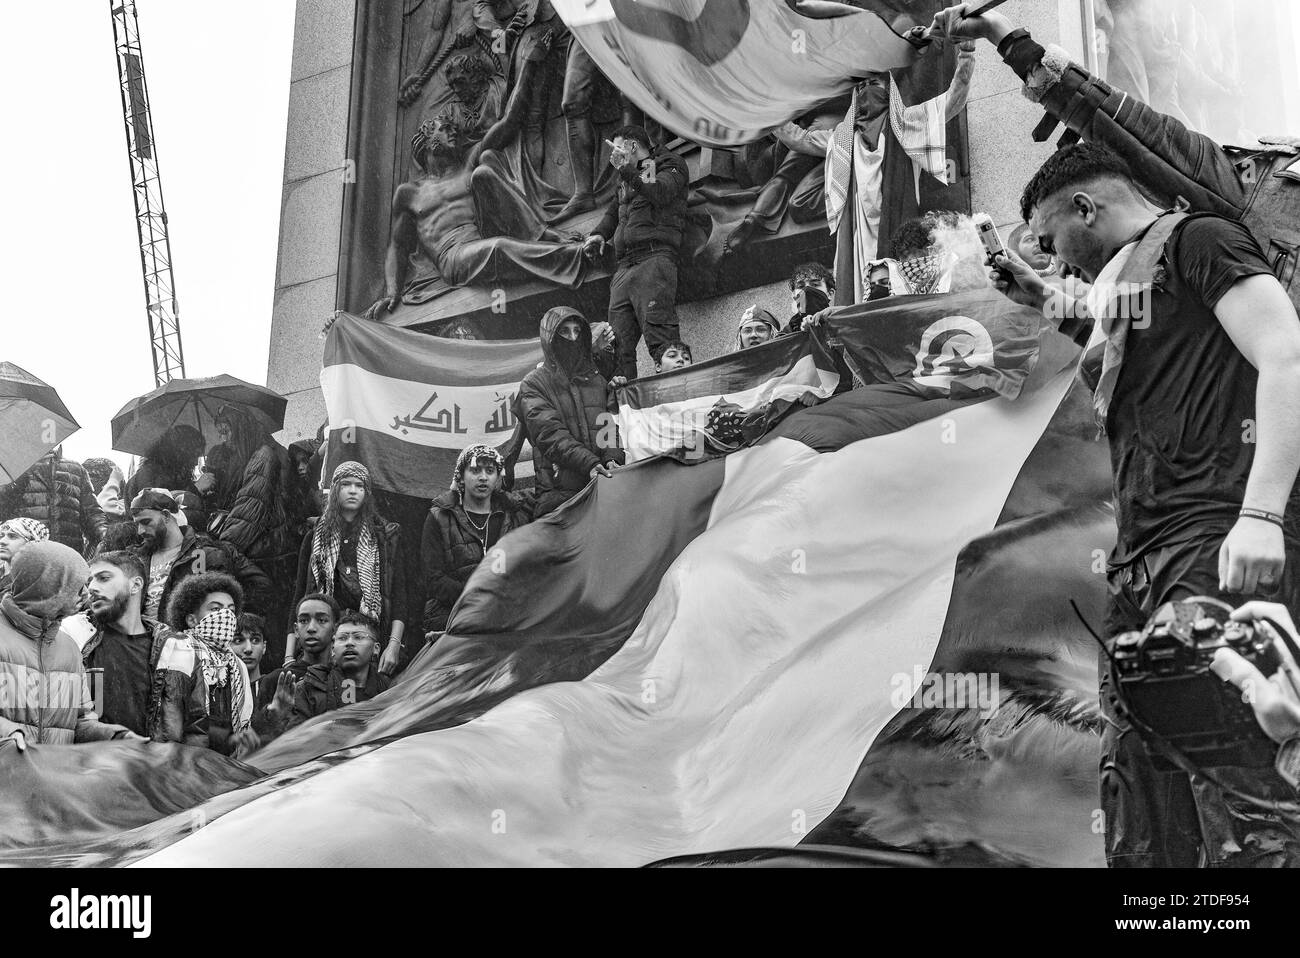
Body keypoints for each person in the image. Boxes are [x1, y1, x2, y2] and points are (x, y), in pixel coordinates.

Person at [993, 140, 1300, 865]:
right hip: (1142, 566)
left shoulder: (1201, 239)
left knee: (1239, 779)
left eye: (1048, 240)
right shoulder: (1136, 285)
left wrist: (1260, 515)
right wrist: (1044, 301)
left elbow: (1287, 355)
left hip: (1214, 538)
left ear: (1085, 207)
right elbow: (1130, 329)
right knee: (1139, 792)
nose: (1051, 258)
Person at [771, 44, 976, 303]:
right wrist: (762, 108)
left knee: (897, 290)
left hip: (898, 220)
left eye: (875, 84)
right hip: (857, 234)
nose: (868, 89)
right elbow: (797, 139)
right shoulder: (842, 139)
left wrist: (967, 53)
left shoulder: (908, 124)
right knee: (860, 292)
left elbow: (953, 99)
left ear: (889, 91)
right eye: (861, 86)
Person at [0, 542, 143, 749]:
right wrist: (8, 734)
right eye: (76, 584)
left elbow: (81, 723)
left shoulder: (69, 648)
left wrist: (115, 737)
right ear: (49, 583)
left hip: (54, 778)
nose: (86, 593)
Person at [582, 125, 691, 379]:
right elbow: (613, 211)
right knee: (617, 347)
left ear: (632, 146)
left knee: (661, 338)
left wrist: (627, 169)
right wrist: (599, 234)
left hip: (653, 261)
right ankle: (628, 410)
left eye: (618, 147)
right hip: (624, 268)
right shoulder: (629, 177)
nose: (614, 155)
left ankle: (673, 400)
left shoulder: (662, 163)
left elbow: (658, 192)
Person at [199, 405, 296, 663]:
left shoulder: (263, 456)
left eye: (226, 431)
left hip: (265, 556)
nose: (223, 439)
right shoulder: (251, 454)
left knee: (257, 632)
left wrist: (219, 550)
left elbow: (248, 514)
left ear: (240, 428)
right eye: (220, 433)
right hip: (264, 553)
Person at [293, 462, 407, 676]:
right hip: (326, 644)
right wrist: (290, 655)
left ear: (367, 493)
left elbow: (399, 598)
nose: (353, 491)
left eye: (359, 486)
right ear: (335, 489)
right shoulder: (315, 537)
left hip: (369, 641)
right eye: (346, 484)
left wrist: (393, 646)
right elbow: (300, 596)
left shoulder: (384, 538)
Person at [518, 307, 625, 517]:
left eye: (577, 331)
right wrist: (590, 463)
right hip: (558, 496)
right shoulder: (534, 384)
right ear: (550, 338)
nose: (573, 337)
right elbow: (549, 434)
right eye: (565, 332)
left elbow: (608, 426)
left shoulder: (596, 380)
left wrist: (612, 459)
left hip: (603, 488)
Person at [422, 444, 531, 636]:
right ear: (461, 477)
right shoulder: (440, 516)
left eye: (490, 471)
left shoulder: (513, 515)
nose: (483, 477)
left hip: (505, 618)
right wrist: (478, 596)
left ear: (498, 477)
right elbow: (434, 578)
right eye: (475, 470)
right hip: (453, 617)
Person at [129, 489, 271, 628]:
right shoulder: (137, 558)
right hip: (140, 645)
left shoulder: (206, 553)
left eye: (146, 522)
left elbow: (258, 587)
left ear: (166, 516)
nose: (140, 531)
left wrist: (236, 624)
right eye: (138, 524)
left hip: (186, 646)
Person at [156, 572, 255, 755]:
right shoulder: (180, 650)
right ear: (192, 619)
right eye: (216, 609)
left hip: (226, 763)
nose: (226, 616)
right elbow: (171, 719)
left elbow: (243, 724)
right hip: (187, 762)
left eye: (231, 610)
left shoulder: (236, 664)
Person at [82, 551, 177, 737]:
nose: (91, 588)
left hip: (156, 762)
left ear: (135, 585)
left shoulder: (173, 648)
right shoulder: (77, 639)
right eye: (88, 582)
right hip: (95, 761)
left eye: (103, 578)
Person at [286, 610, 391, 731]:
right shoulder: (310, 687)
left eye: (358, 637)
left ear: (376, 648)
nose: (350, 643)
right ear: (332, 648)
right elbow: (295, 738)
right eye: (342, 638)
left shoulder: (388, 690)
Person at [0, 448, 106, 556]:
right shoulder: (12, 470)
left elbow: (92, 512)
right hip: (24, 556)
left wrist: (105, 536)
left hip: (67, 553)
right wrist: (14, 483)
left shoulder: (76, 469)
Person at [125, 425, 206, 505]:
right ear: (181, 453)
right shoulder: (151, 474)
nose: (195, 463)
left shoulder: (172, 474)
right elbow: (158, 510)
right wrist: (196, 489)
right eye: (193, 456)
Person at [284, 593, 342, 681]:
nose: (311, 628)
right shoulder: (279, 680)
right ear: (296, 630)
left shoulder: (347, 679)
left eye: (321, 620)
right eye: (303, 621)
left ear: (335, 629)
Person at [785, 262, 835, 333]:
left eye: (815, 285)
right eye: (801, 286)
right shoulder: (784, 335)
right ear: (794, 296)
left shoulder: (843, 320)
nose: (807, 289)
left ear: (830, 293)